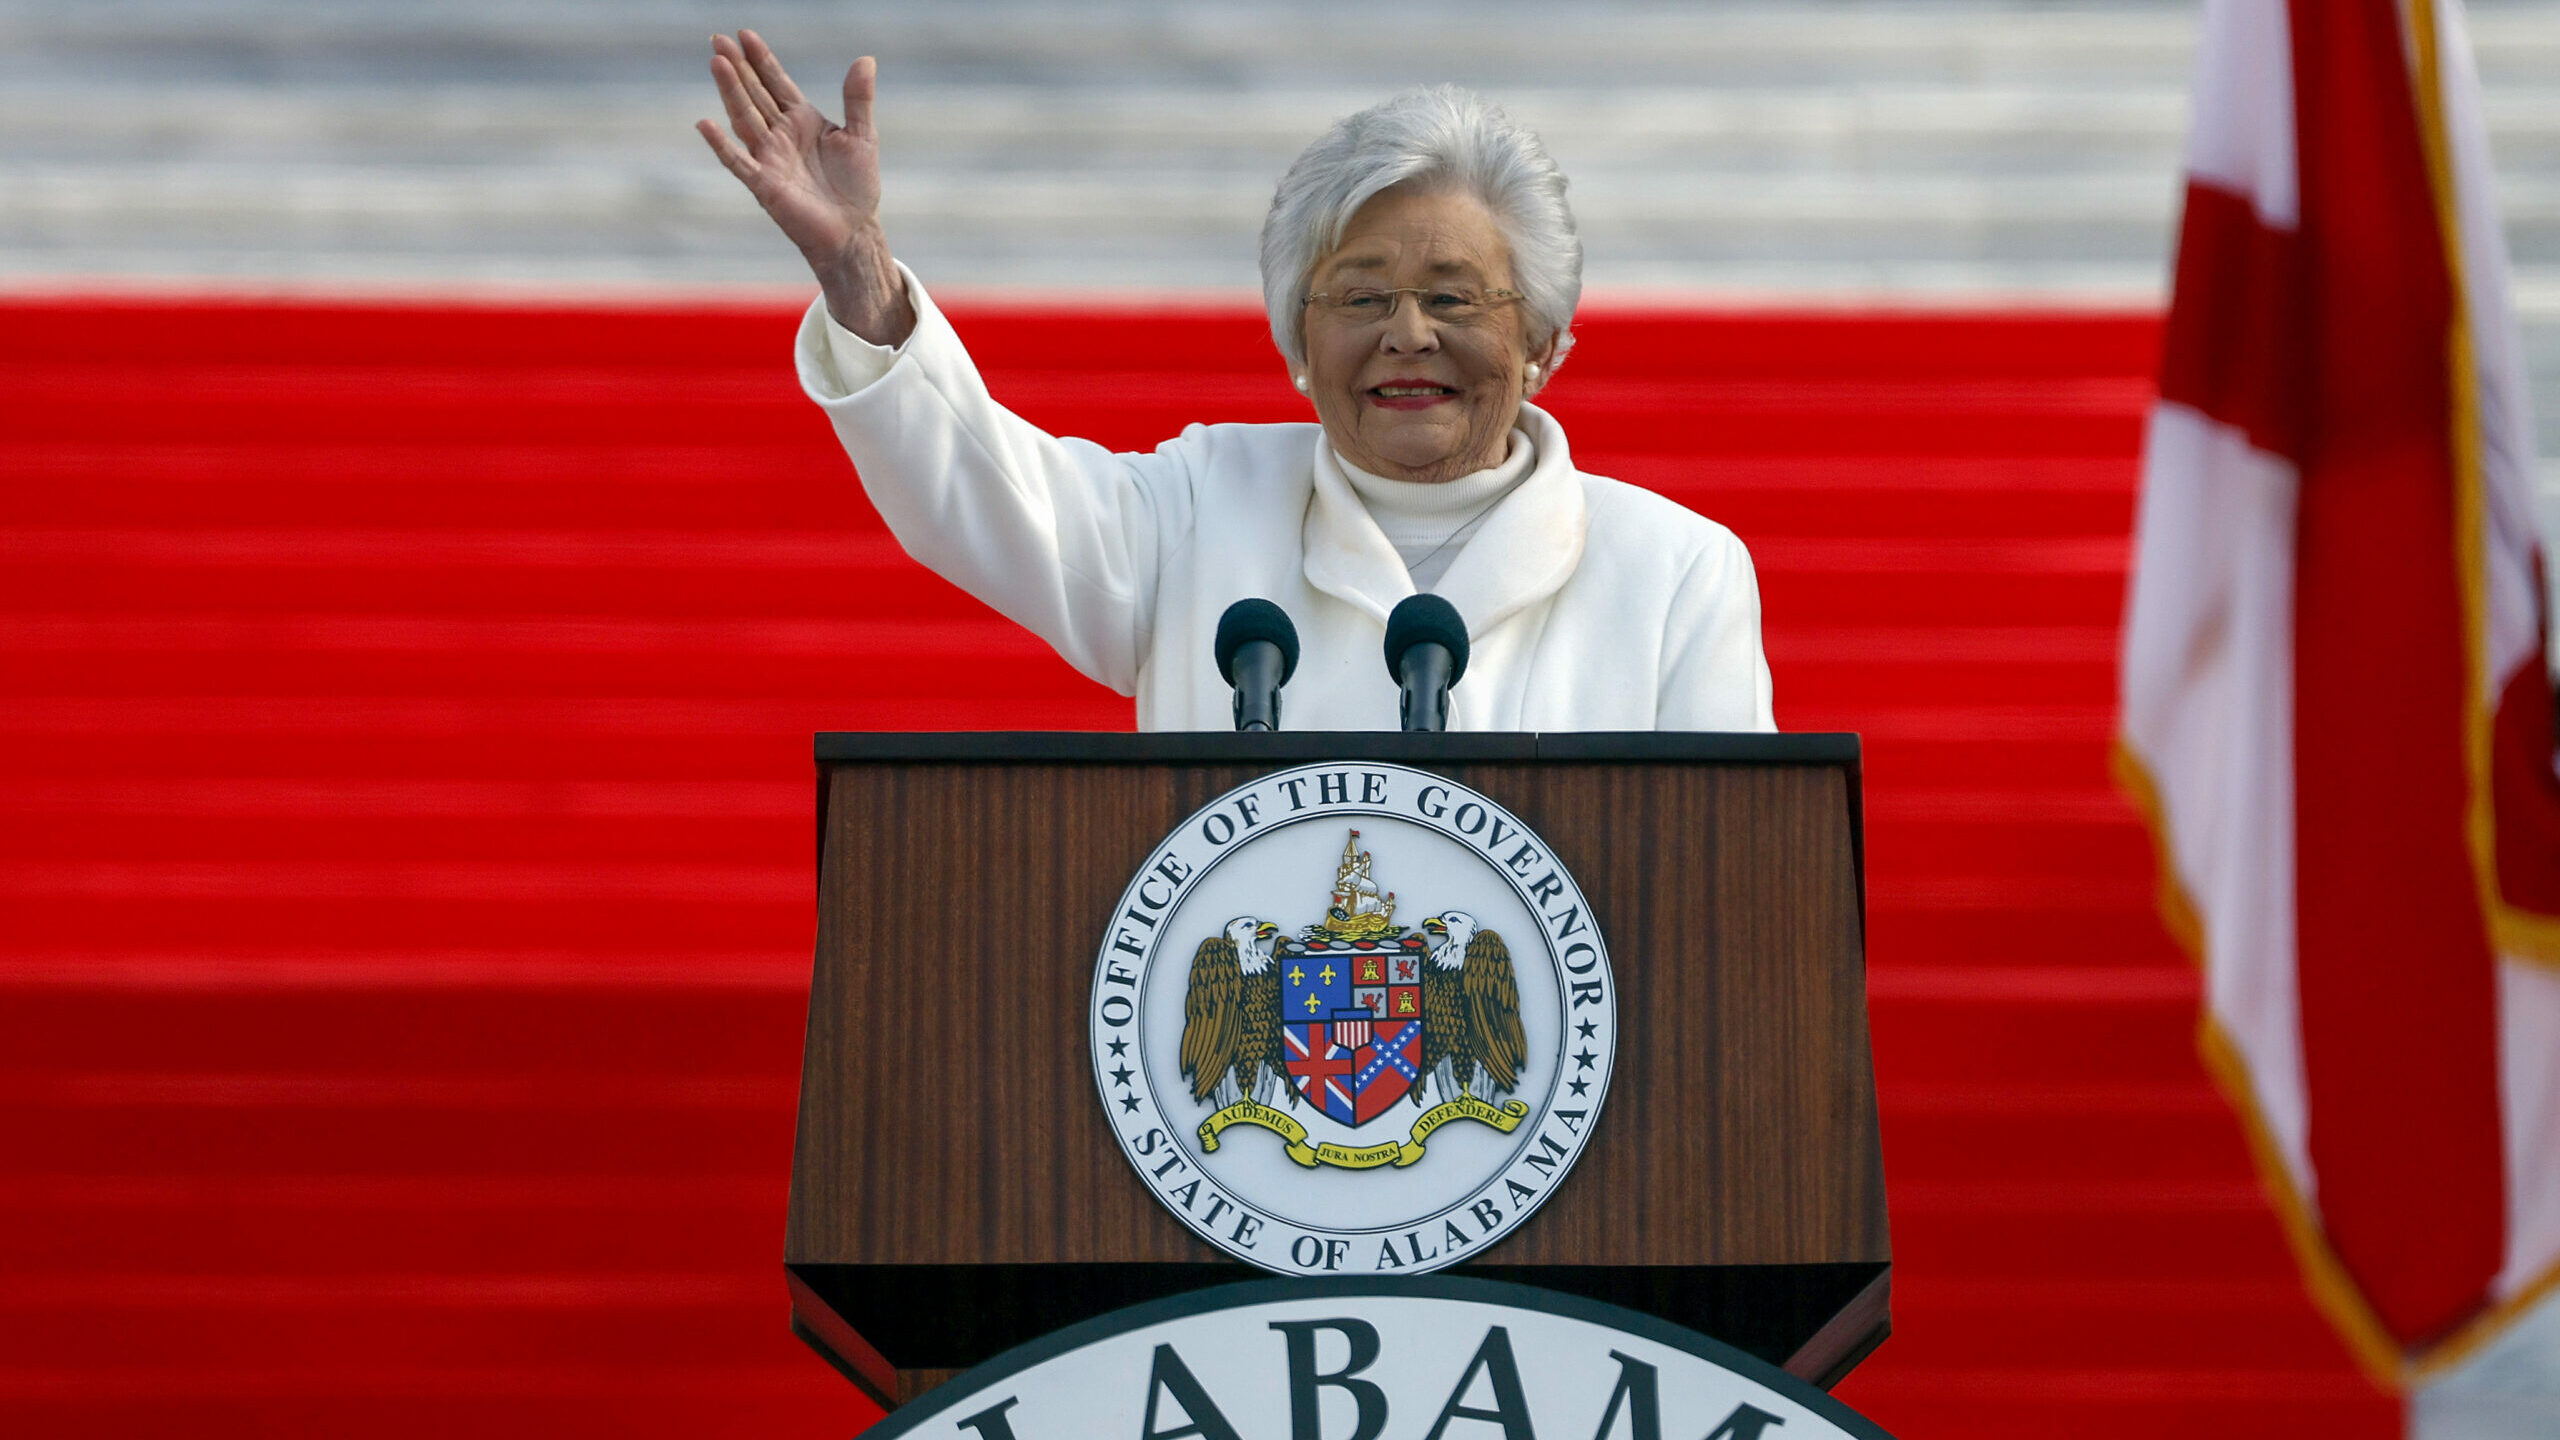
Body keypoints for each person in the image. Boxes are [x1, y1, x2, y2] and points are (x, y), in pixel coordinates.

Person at [700, 30, 1773, 732]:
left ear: (1544, 340)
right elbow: (979, 492)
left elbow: (1735, 885)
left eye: (1452, 300)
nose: (1406, 336)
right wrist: (860, 276)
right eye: (1358, 298)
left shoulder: (1674, 573)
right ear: (1295, 345)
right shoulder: (1199, 507)